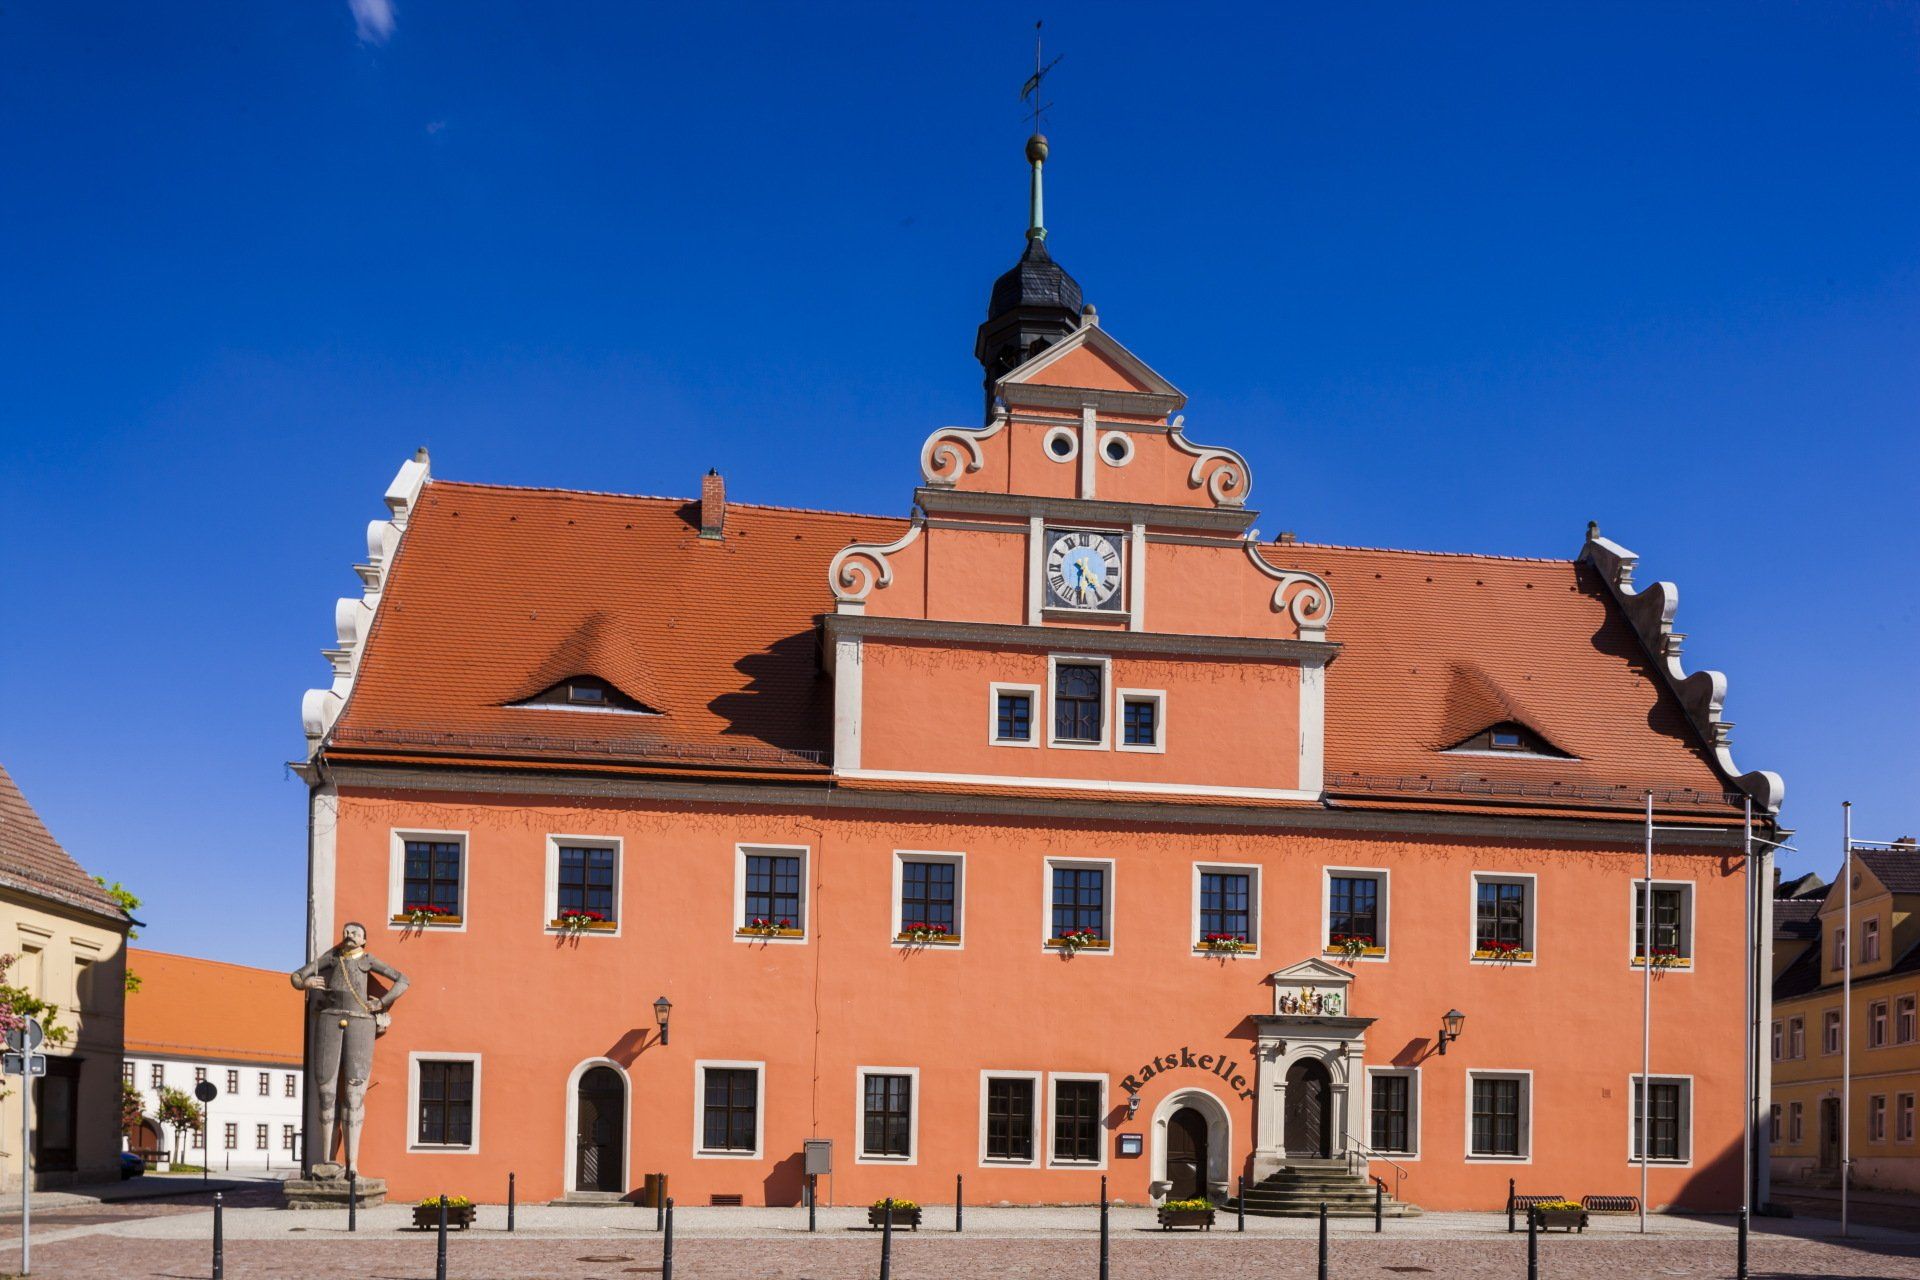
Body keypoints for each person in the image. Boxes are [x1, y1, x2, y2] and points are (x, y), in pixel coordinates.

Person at [289, 921, 408, 1175]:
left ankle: (352, 1163)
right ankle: (326, 1160)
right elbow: (296, 976)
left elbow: (402, 980)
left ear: (364, 940)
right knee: (326, 1091)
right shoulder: (332, 958)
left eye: (355, 933)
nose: (349, 935)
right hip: (329, 1021)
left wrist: (382, 1002)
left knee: (354, 1092)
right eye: (346, 932)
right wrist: (307, 984)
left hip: (360, 1022)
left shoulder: (367, 960)